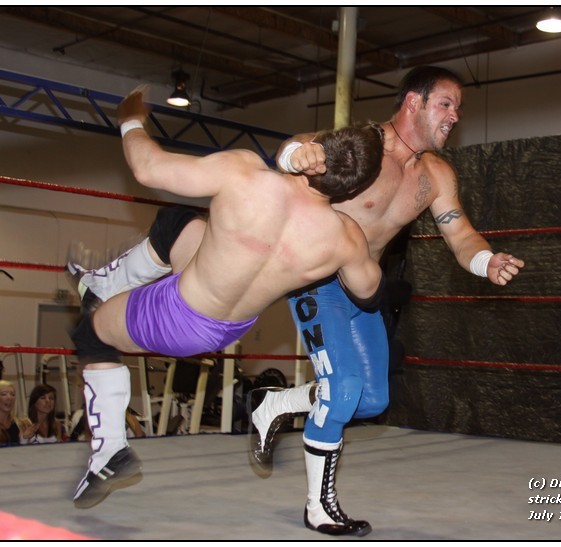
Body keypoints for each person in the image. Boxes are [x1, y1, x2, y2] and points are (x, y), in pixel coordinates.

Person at [71, 66, 524, 536]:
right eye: (446, 104)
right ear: (414, 102)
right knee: (343, 389)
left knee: (371, 400)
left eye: (459, 108)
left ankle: (274, 403)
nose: (455, 115)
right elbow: (296, 149)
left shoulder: (436, 175)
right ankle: (318, 507)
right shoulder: (360, 146)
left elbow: (459, 232)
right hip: (318, 276)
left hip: (352, 280)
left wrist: (485, 261)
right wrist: (293, 155)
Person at [66, 86, 385, 510]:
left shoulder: (245, 172)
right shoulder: (344, 237)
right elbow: (367, 290)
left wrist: (130, 121)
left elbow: (147, 169)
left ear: (315, 149)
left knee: (90, 335)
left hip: (178, 316)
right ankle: (104, 284)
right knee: (177, 222)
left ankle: (109, 452)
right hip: (228, 327)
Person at [0, 379, 20, 446]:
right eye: (4, 394)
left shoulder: (17, 425)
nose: (9, 398)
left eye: (12, 394)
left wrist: (25, 438)